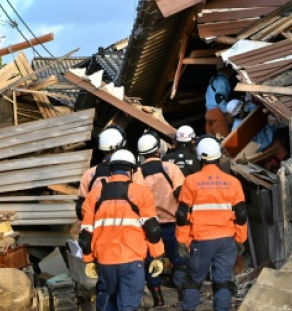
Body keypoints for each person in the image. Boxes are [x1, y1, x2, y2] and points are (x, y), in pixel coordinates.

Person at [80, 149, 166, 311]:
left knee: (108, 302)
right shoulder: (141, 192)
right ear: (132, 170)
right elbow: (153, 229)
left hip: (105, 261)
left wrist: (89, 260)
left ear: (111, 169)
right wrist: (157, 256)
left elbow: (85, 235)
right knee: (128, 305)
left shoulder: (94, 195)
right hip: (131, 260)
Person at [176, 137, 248, 311]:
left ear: (200, 157)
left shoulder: (191, 181)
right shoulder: (233, 182)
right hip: (226, 239)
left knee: (193, 281)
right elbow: (241, 214)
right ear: (218, 156)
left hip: (201, 240)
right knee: (223, 282)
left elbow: (182, 215)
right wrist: (240, 239)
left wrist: (181, 241)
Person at [136, 132, 186, 307]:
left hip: (149, 227)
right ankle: (182, 296)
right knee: (178, 260)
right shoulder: (171, 169)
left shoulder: (138, 174)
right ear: (158, 150)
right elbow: (182, 195)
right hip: (173, 225)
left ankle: (158, 298)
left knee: (152, 262)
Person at [76, 125, 124, 220]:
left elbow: (80, 207)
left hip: (96, 226)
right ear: (121, 145)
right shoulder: (133, 172)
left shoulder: (90, 174)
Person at [204, 67, 234, 137]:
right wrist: (227, 112)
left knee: (210, 139)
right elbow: (219, 97)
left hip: (208, 113)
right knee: (223, 139)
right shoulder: (222, 80)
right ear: (225, 70)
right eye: (230, 71)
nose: (231, 73)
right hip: (217, 113)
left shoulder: (213, 79)